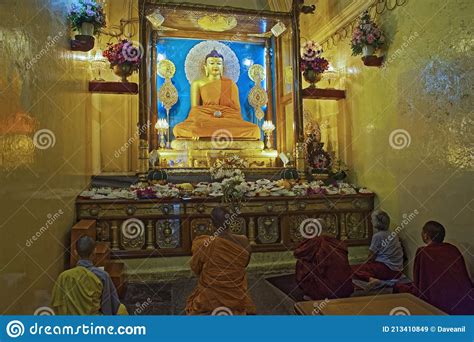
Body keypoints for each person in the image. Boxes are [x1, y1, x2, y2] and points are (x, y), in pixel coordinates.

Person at [173, 49, 261, 140]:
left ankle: (202, 133)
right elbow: (195, 110)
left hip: (228, 122)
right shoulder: (197, 83)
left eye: (219, 63)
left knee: (254, 129)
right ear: (205, 66)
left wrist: (224, 116)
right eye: (211, 63)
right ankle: (200, 131)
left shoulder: (231, 84)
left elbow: (236, 111)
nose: (215, 66)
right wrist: (203, 120)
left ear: (223, 67)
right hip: (205, 121)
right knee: (179, 129)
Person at [186, 206, 256, 315]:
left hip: (209, 298)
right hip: (236, 297)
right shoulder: (244, 241)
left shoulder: (204, 244)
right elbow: (245, 264)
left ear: (211, 223)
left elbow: (195, 268)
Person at [395, 221, 474, 315]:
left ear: (425, 236)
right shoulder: (453, 249)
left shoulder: (423, 252)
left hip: (440, 304)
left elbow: (419, 285)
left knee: (397, 288)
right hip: (466, 302)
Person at [51, 236, 127, 315]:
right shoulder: (102, 276)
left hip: (70, 323)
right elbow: (109, 307)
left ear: (75, 252)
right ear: (94, 252)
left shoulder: (63, 277)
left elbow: (57, 305)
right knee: (121, 309)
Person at [294, 220, 354, 300]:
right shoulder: (336, 242)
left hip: (323, 293)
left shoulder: (315, 241)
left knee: (302, 262)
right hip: (344, 291)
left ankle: (314, 292)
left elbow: (298, 253)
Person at [352, 210, 404, 287]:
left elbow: (371, 256)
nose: (371, 221)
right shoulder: (393, 233)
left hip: (385, 269)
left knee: (352, 269)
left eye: (372, 220)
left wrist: (365, 264)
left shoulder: (378, 236)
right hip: (397, 271)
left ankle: (371, 279)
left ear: (377, 223)